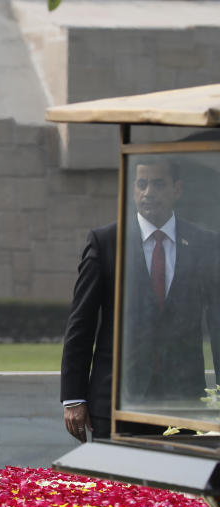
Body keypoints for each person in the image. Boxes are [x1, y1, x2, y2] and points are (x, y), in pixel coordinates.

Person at [61, 159, 220, 442]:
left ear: (177, 189)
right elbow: (81, 322)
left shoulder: (204, 244)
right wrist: (73, 397)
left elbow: (218, 324)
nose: (148, 192)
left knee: (178, 485)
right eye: (141, 184)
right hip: (115, 402)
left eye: (158, 184)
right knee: (117, 486)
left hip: (183, 401)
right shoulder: (105, 241)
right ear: (133, 190)